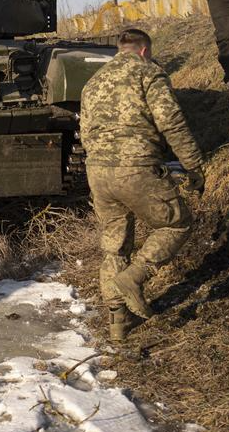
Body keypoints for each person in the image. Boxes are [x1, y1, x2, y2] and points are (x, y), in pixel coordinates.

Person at [80, 27, 207, 342]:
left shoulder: (93, 82)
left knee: (115, 245)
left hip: (97, 172)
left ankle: (117, 326)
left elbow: (84, 130)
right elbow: (172, 121)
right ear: (144, 51)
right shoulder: (148, 73)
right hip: (135, 168)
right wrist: (193, 165)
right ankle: (134, 279)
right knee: (177, 225)